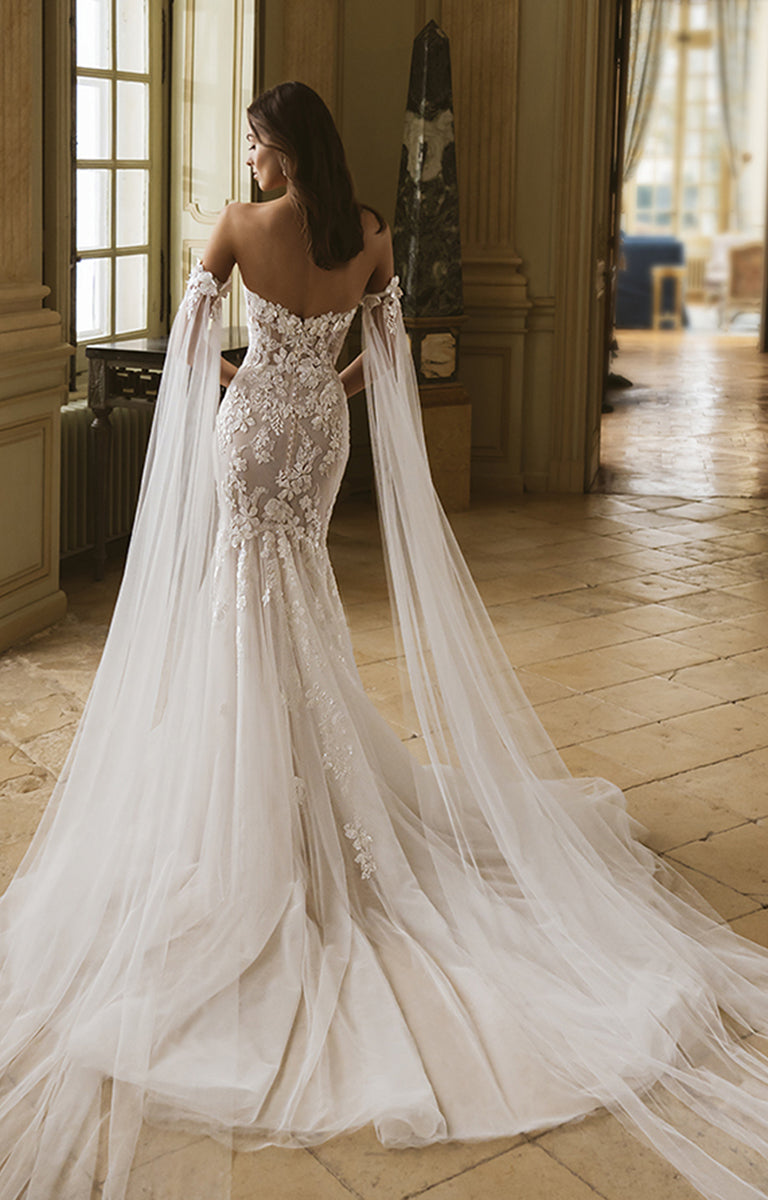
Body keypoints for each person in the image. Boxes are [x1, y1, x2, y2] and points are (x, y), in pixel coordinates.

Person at [1, 80, 768, 1200]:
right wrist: (323, 379)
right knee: (297, 588)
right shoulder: (365, 235)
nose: (250, 158)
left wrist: (244, 378)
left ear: (285, 147)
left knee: (244, 595)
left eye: (258, 142)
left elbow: (191, 340)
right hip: (320, 437)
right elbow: (391, 351)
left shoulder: (234, 225)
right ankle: (305, 775)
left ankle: (251, 797)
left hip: (255, 426)